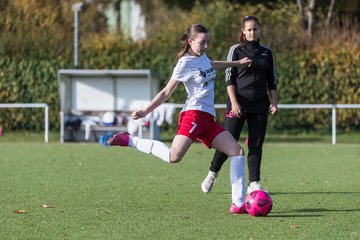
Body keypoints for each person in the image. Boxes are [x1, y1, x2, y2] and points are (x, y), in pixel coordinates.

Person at [108, 23, 253, 214]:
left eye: (208, 42)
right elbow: (166, 92)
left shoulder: (202, 57)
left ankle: (238, 204)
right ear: (190, 41)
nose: (206, 46)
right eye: (202, 42)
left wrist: (237, 63)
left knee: (237, 152)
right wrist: (145, 111)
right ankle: (130, 140)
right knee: (173, 157)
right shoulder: (184, 63)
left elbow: (212, 64)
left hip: (208, 119)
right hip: (193, 115)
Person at [201, 16, 279, 194]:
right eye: (249, 29)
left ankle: (254, 183)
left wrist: (274, 103)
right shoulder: (235, 50)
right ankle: (213, 172)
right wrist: (234, 102)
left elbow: (272, 80)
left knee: (256, 144)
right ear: (243, 31)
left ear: (259, 30)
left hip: (260, 105)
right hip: (238, 104)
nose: (252, 32)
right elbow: (229, 77)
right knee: (228, 141)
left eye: (255, 29)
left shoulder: (267, 52)